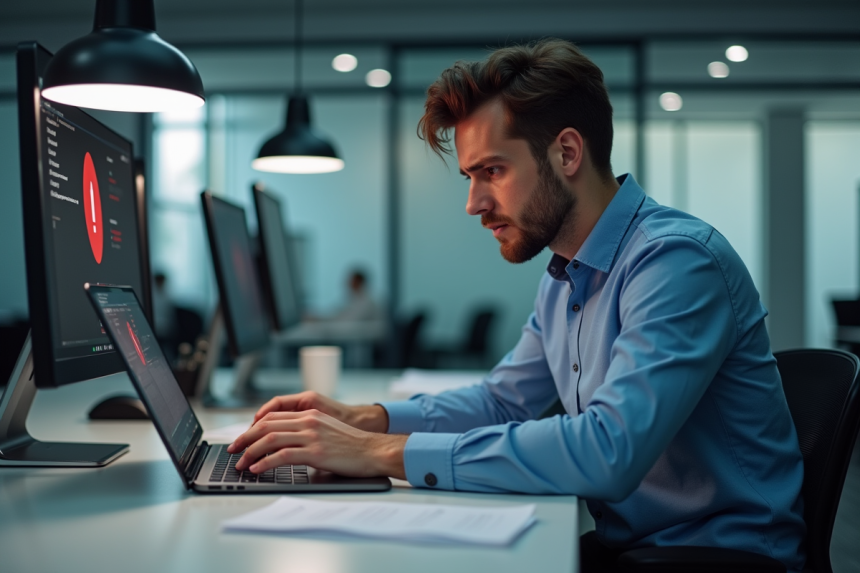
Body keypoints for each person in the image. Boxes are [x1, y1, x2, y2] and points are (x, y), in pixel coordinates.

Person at [228, 39, 805, 571]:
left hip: (720, 559)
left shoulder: (675, 262)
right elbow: (503, 402)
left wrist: (378, 452)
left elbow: (609, 451)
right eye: (470, 176)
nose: (473, 203)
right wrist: (364, 419)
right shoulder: (565, 275)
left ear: (567, 153)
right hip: (634, 548)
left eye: (492, 171)